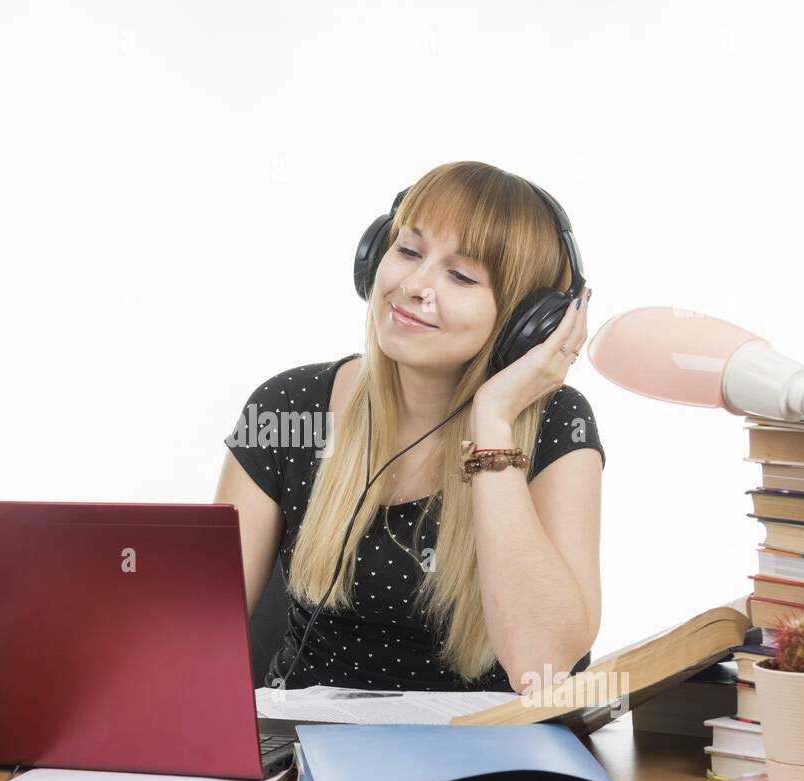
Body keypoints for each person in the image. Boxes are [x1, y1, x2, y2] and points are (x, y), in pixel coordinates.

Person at [214, 161, 604, 695]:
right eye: (408, 251)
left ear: (528, 323)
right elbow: (191, 636)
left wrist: (492, 423)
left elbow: (544, 663)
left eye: (462, 276)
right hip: (306, 757)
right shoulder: (289, 408)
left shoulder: (557, 423)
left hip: (484, 761)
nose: (415, 285)